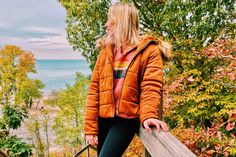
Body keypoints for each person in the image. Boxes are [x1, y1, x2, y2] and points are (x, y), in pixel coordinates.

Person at [84, 2, 171, 157]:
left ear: (122, 22)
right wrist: (90, 128)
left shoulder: (149, 51)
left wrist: (150, 115)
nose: (106, 25)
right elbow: (94, 89)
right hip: (103, 117)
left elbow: (151, 87)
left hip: (126, 119)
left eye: (110, 20)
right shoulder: (107, 51)